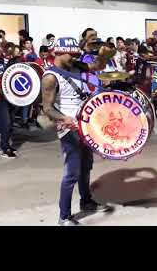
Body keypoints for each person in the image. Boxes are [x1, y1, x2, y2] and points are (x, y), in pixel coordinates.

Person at [41, 37, 115, 226]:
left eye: (76, 54)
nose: (74, 58)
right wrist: (65, 119)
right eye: (70, 55)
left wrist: (104, 57)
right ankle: (64, 216)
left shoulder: (76, 65)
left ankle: (86, 201)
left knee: (86, 166)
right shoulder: (50, 77)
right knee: (71, 173)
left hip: (84, 125)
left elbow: (96, 66)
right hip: (69, 129)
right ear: (57, 52)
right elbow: (47, 108)